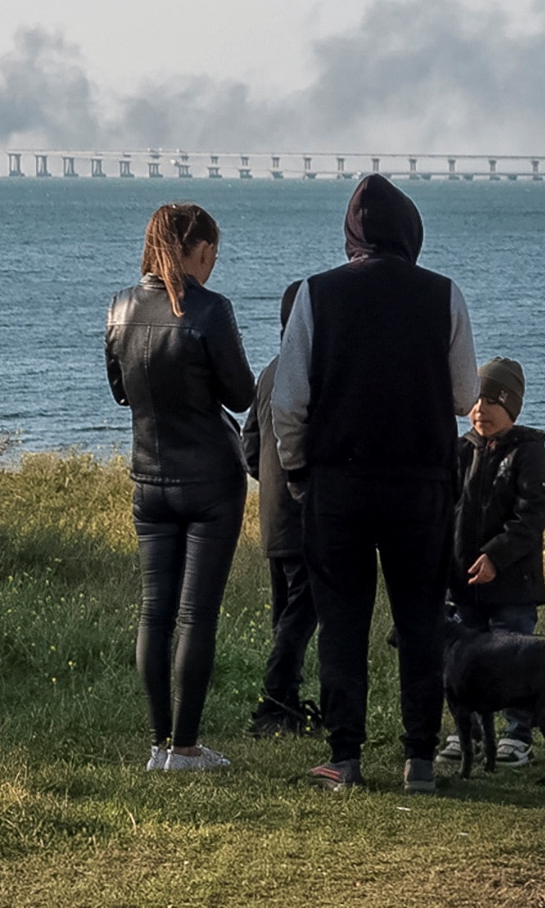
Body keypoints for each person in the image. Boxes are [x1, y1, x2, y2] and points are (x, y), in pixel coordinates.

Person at [271, 174, 478, 795]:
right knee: (419, 620)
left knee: (342, 620)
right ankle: (419, 758)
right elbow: (467, 394)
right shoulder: (444, 294)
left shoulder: (315, 294)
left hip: (339, 486)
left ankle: (346, 757)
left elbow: (289, 402)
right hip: (421, 488)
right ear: (411, 230)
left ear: (351, 235)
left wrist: (300, 470)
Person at [106, 202, 255, 772]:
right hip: (211, 480)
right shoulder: (212, 310)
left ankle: (156, 746)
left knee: (154, 613)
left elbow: (120, 389)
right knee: (196, 616)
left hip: (149, 474)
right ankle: (186, 748)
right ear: (196, 249)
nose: (214, 263)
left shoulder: (119, 307)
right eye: (211, 252)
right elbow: (240, 395)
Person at [437, 356, 545, 769]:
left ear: (511, 407)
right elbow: (443, 509)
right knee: (464, 663)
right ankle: (466, 731)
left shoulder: (529, 453)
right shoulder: (459, 451)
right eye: (475, 399)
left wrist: (496, 554)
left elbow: (531, 516)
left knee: (513, 659)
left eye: (491, 400)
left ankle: (518, 735)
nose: (480, 409)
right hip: (463, 581)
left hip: (511, 583)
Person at [240, 280, 318, 738]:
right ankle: (273, 704)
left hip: (274, 517)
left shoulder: (270, 372)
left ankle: (284, 705)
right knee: (301, 615)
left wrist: (269, 483)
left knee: (285, 614)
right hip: (306, 514)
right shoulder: (312, 372)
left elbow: (250, 447)